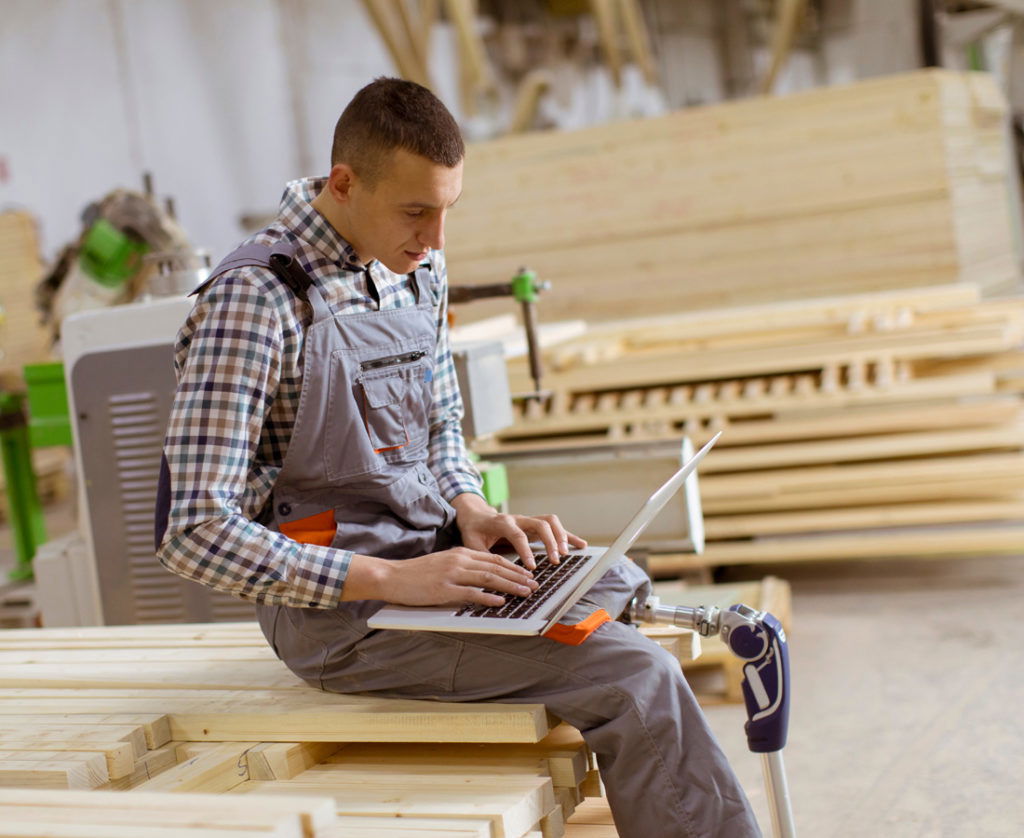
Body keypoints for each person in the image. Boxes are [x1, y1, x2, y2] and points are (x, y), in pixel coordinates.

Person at [157, 77, 759, 838]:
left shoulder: (415, 266)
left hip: (430, 556)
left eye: (448, 211)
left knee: (610, 578)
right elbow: (193, 532)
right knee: (638, 677)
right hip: (340, 615)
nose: (436, 238)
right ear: (343, 184)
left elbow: (439, 426)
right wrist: (392, 578)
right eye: (416, 211)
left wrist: (468, 508)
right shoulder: (255, 300)